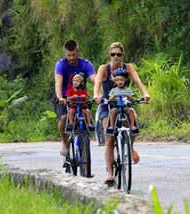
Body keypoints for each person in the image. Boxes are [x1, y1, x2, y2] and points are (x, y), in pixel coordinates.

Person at [93, 42, 150, 185]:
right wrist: (97, 96)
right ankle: (110, 175)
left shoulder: (128, 67)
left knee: (134, 122)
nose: (116, 57)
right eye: (113, 54)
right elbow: (98, 83)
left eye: (119, 54)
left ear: (123, 55)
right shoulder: (104, 68)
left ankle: (130, 148)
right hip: (107, 105)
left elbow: (137, 81)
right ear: (109, 55)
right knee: (110, 138)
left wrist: (145, 93)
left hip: (124, 104)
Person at [54, 39, 95, 156]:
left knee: (86, 112)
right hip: (64, 96)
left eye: (74, 55)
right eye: (69, 55)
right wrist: (60, 97)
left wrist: (98, 94)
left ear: (78, 52)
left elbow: (94, 79)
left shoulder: (86, 64)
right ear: (65, 53)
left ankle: (87, 133)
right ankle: (65, 142)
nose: (72, 58)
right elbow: (58, 82)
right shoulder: (60, 64)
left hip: (81, 96)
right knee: (63, 118)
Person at [106, 68, 138, 135]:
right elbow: (109, 100)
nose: (119, 82)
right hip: (117, 107)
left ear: (125, 80)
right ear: (115, 81)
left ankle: (132, 125)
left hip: (125, 107)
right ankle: (111, 126)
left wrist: (128, 96)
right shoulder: (113, 90)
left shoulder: (128, 89)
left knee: (131, 111)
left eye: (121, 80)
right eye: (117, 80)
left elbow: (132, 99)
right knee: (112, 111)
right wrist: (113, 96)